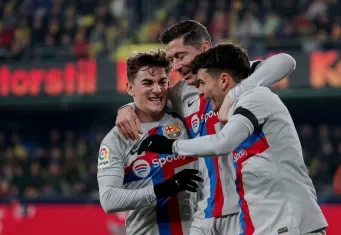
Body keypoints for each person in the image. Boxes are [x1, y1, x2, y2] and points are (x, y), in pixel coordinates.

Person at [116, 20, 296, 235]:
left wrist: (234, 95)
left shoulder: (235, 79)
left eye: (181, 56)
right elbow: (148, 99)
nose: (175, 66)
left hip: (244, 210)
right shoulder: (180, 94)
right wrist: (126, 108)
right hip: (205, 212)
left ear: (204, 50)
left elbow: (286, 62)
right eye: (172, 59)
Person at [138, 43, 328, 235]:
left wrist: (172, 146)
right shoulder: (236, 110)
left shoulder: (256, 97)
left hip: (291, 224)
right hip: (265, 226)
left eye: (203, 83)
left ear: (223, 80)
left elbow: (223, 142)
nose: (201, 92)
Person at [97, 49, 203, 235]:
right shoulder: (116, 140)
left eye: (162, 82)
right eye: (147, 83)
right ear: (130, 88)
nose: (157, 89)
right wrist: (163, 189)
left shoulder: (183, 114)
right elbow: (109, 199)